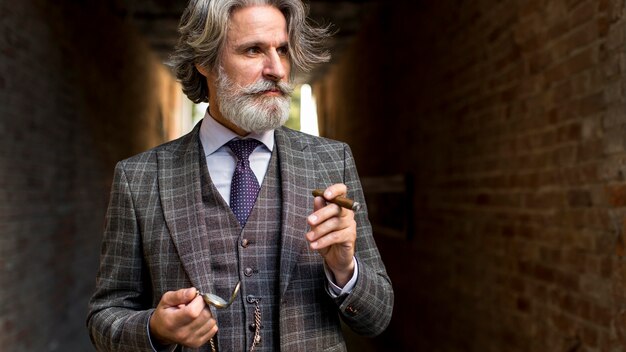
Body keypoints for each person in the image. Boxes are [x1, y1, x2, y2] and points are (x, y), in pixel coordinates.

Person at [86, 0, 393, 351]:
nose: (277, 69)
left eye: (283, 50)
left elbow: (377, 317)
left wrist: (345, 269)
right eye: (253, 50)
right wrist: (154, 328)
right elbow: (104, 316)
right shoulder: (138, 177)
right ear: (205, 61)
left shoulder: (330, 160)